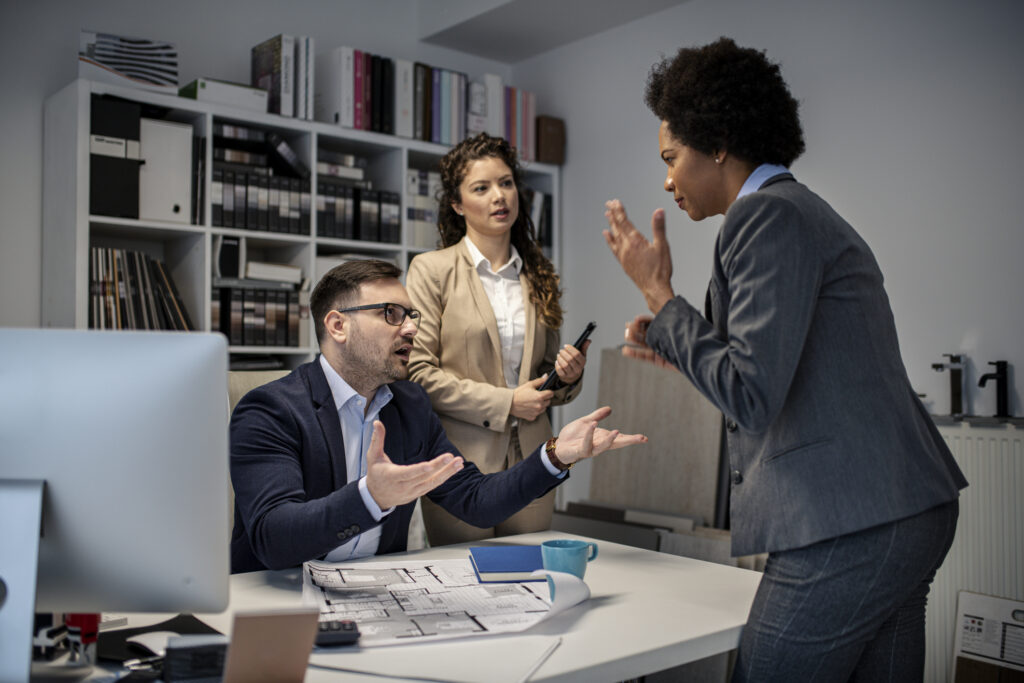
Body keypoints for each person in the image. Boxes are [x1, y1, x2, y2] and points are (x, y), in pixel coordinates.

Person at [602, 37, 967, 682]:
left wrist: (658, 293)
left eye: (671, 157)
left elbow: (750, 393)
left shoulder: (764, 218)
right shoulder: (798, 212)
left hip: (849, 517)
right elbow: (768, 364)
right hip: (902, 505)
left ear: (716, 142)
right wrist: (675, 344)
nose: (666, 179)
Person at [229, 259, 643, 573]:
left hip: (376, 595)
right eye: (391, 313)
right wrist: (369, 498)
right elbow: (274, 538)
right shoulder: (269, 411)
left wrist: (555, 455)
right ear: (337, 326)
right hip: (280, 601)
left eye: (412, 316)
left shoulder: (409, 406)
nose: (411, 329)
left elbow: (474, 500)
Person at [406, 133, 588, 546]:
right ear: (457, 204)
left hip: (535, 457)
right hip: (458, 462)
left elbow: (544, 380)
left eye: (506, 183)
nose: (498, 196)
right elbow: (417, 374)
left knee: (531, 581)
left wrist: (566, 376)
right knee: (462, 583)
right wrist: (507, 403)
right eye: (481, 188)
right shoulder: (431, 270)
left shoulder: (538, 274)